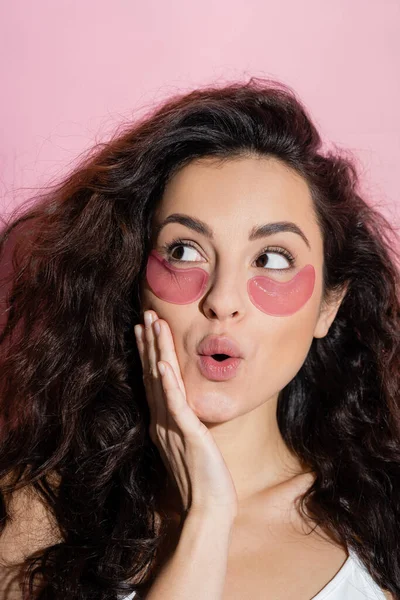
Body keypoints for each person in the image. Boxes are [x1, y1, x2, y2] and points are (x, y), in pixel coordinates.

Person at [0, 77, 398, 599]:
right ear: (136, 280)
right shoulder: (36, 518)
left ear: (330, 306)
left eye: (272, 258)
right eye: (185, 250)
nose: (222, 299)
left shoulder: (385, 521)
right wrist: (208, 518)